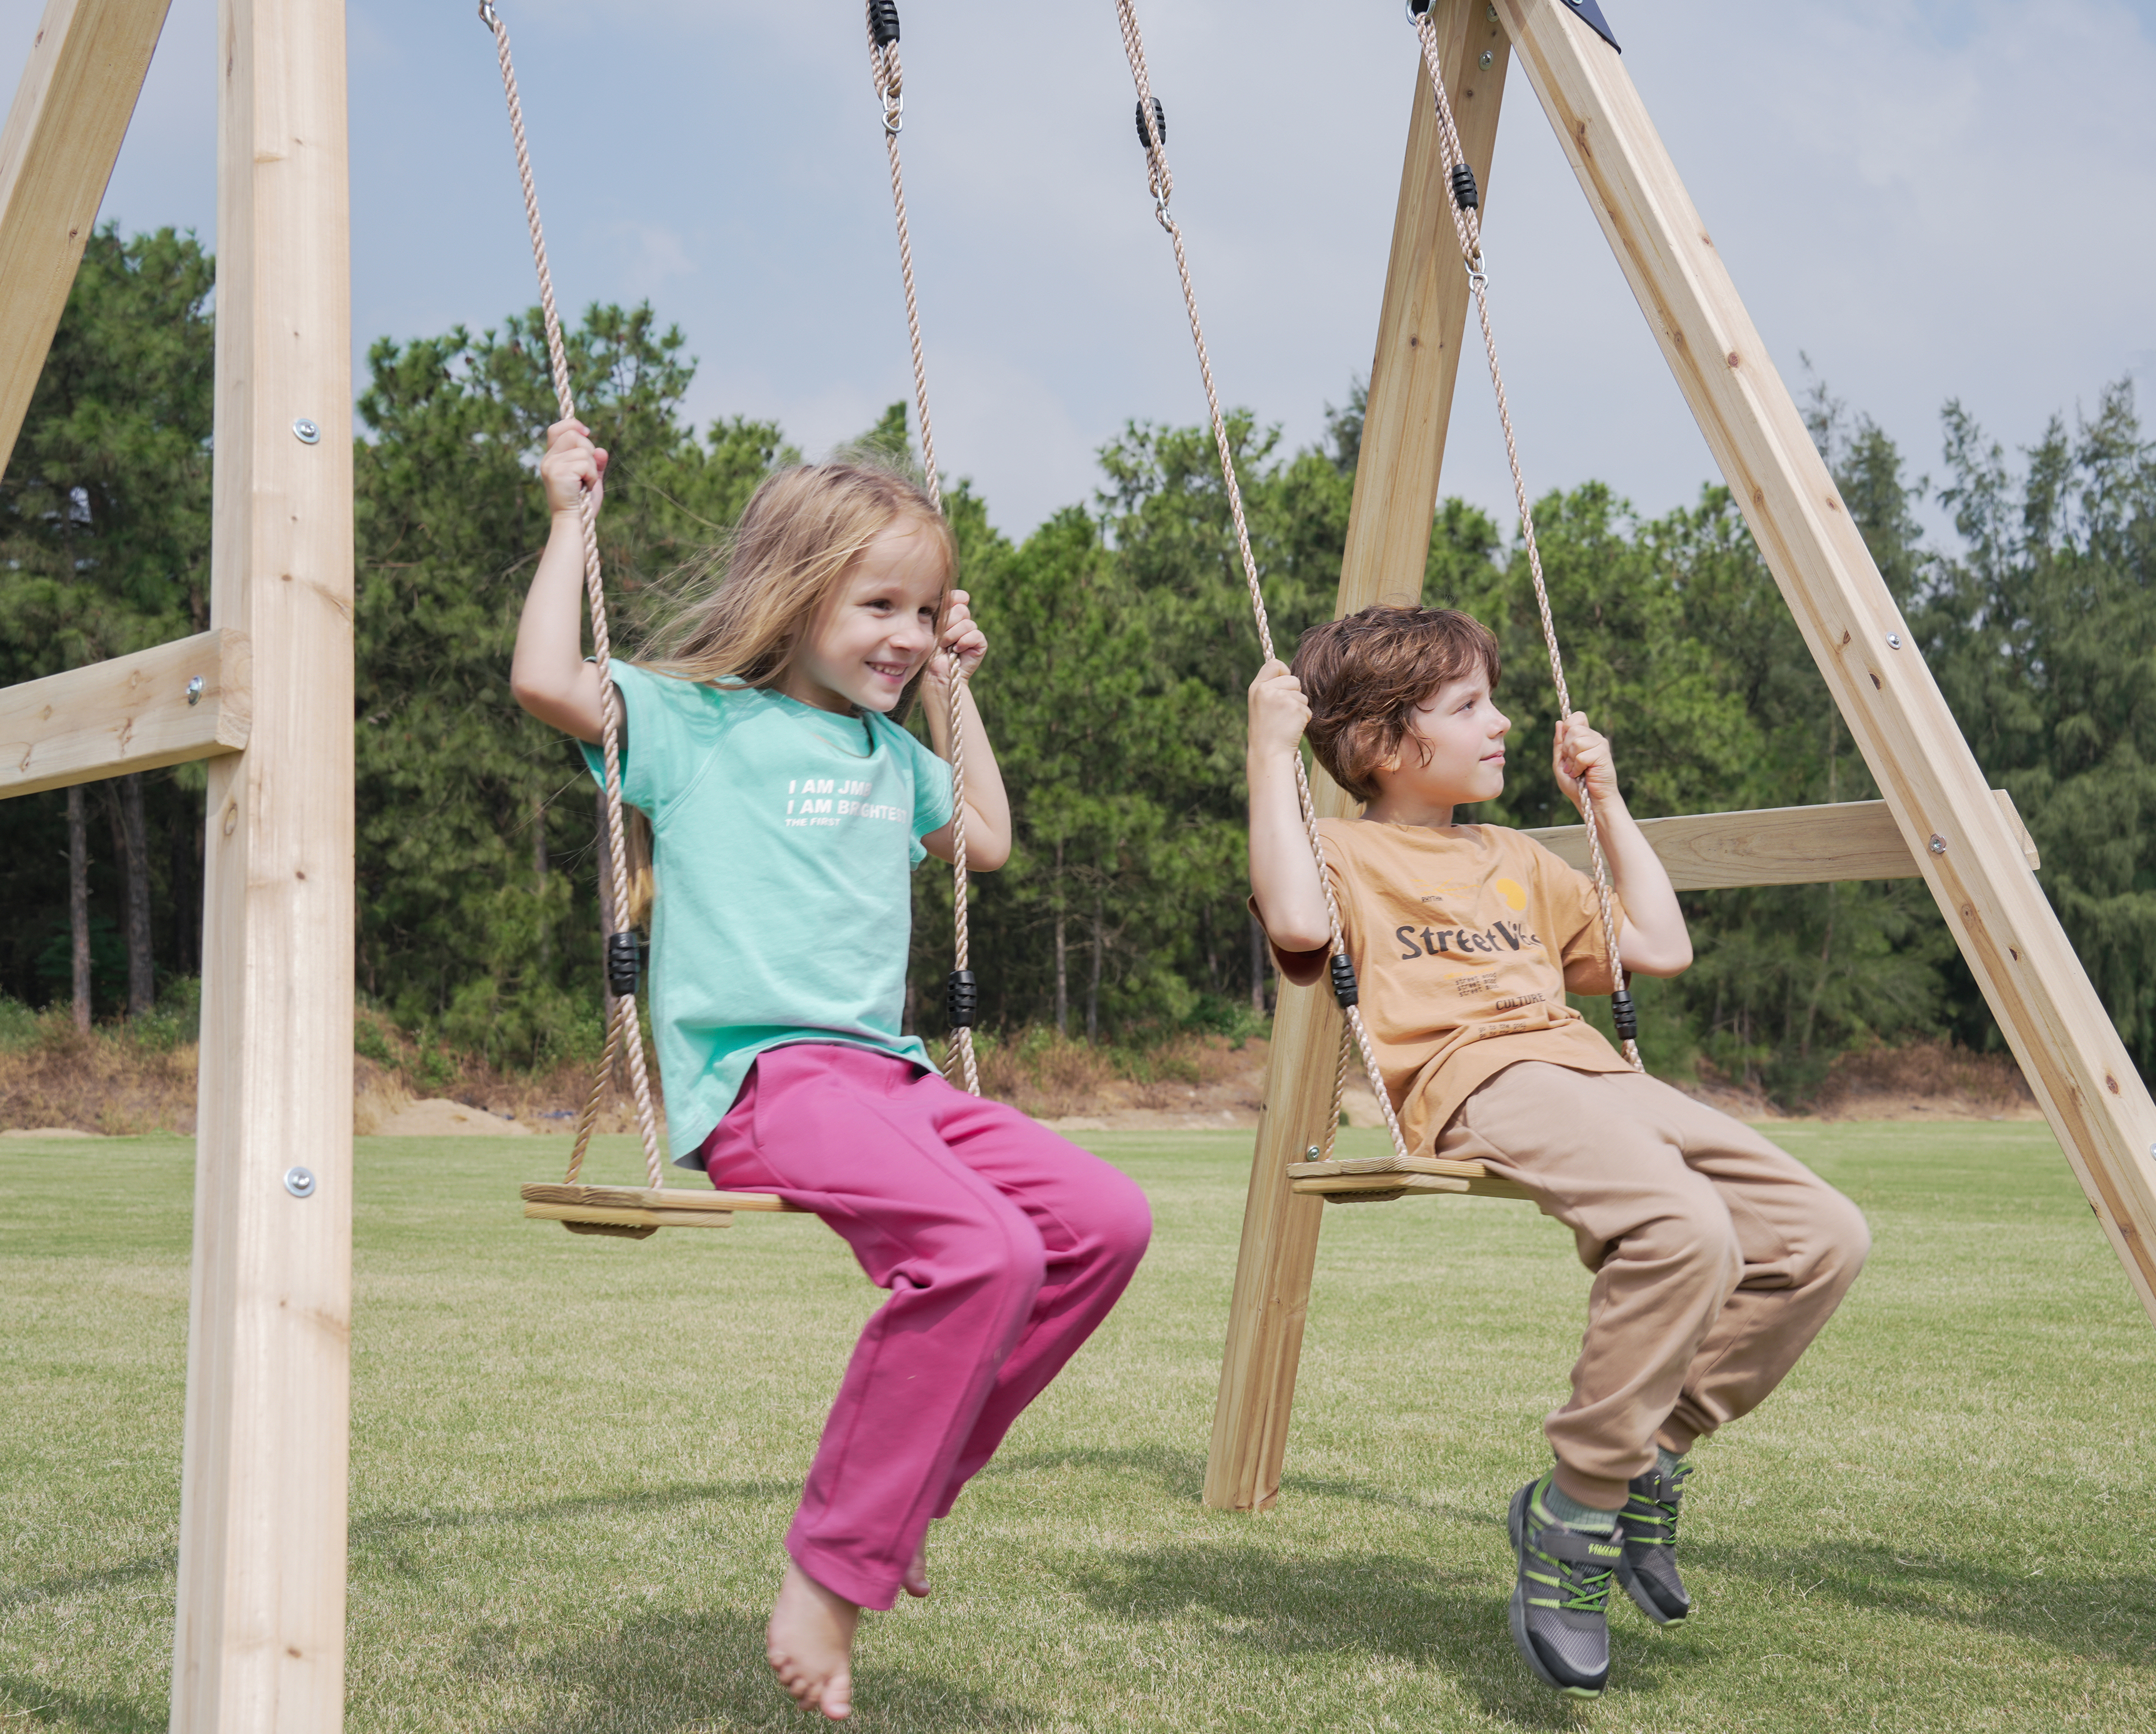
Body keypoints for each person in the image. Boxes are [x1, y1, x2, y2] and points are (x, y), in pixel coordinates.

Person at [510, 421, 1152, 1721]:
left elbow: (984, 838)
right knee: (983, 1254)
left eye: (924, 610)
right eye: (879, 606)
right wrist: (566, 519)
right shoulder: (695, 724)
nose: (905, 633)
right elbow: (543, 680)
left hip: (892, 1079)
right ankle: (835, 1563)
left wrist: (954, 689)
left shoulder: (890, 755)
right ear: (794, 597)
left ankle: (907, 1493)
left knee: (1100, 1224)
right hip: (765, 1081)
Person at [1246, 603, 1869, 1699]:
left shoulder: (1522, 858)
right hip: (1476, 1077)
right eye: (1470, 706)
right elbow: (1298, 926)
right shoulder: (1339, 848)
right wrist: (1267, 750)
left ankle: (1648, 1457)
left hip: (1596, 1075)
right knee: (1683, 1231)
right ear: (1390, 743)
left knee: (1821, 1235)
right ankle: (1575, 1510)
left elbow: (1658, 947)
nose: (1503, 723)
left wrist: (1607, 799)